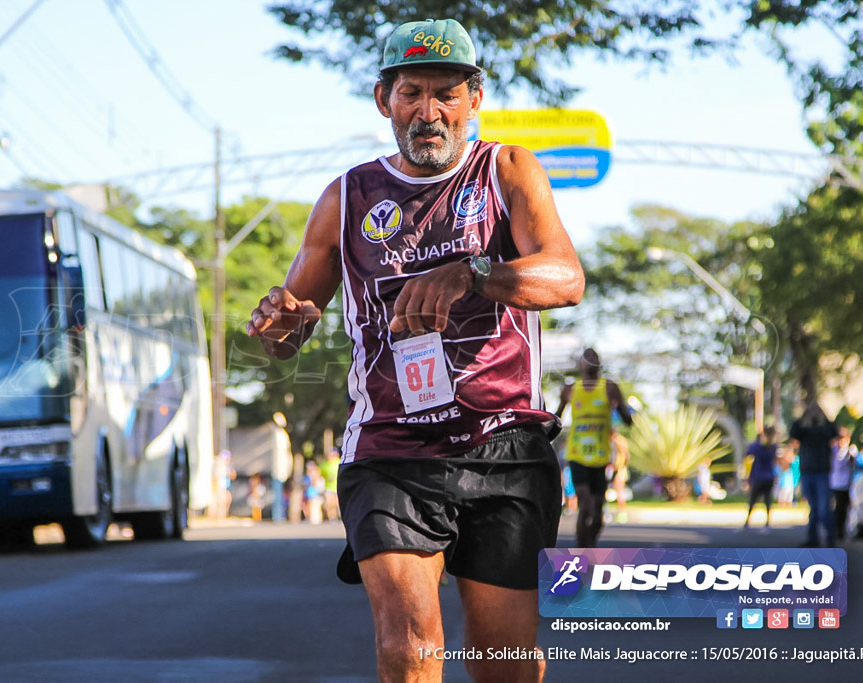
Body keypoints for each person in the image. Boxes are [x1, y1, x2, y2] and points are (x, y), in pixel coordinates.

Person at [246, 17, 584, 682]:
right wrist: (278, 324)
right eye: (411, 94)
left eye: (445, 94)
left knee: (502, 663)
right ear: (384, 101)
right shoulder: (346, 198)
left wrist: (477, 273)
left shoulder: (506, 170)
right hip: (391, 448)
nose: (428, 113)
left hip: (503, 443)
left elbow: (566, 278)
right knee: (409, 646)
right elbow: (291, 327)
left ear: (475, 100)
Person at [554, 348, 632, 547]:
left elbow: (627, 419)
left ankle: (590, 544)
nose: (590, 361)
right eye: (586, 357)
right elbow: (556, 417)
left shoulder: (609, 387)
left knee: (597, 511)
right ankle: (583, 552)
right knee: (585, 504)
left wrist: (621, 408)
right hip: (577, 454)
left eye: (594, 357)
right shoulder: (570, 389)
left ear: (599, 363)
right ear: (579, 364)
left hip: (600, 455)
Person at [789, 401, 839, 547]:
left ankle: (830, 537)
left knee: (824, 508)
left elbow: (833, 431)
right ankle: (813, 538)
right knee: (814, 507)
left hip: (821, 472)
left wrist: (822, 414)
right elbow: (793, 432)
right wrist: (804, 415)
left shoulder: (824, 431)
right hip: (807, 472)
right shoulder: (804, 431)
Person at [743, 426, 779, 531]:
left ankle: (747, 523)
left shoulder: (758, 447)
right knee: (767, 500)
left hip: (759, 477)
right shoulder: (773, 447)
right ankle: (767, 523)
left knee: (753, 500)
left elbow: (748, 452)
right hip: (769, 477)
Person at [829, 426, 857, 540]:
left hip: (845, 484)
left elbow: (853, 466)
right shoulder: (833, 451)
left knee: (843, 507)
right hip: (834, 483)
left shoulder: (851, 451)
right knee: (836, 507)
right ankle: (835, 528)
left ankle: (841, 528)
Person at [270, 412, 293, 522]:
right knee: (278, 494)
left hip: (281, 468)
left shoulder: (280, 434)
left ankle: (279, 515)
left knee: (280, 494)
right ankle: (278, 516)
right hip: (278, 469)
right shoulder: (278, 434)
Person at [609, 428, 630, 522]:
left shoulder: (619, 440)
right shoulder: (612, 441)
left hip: (619, 469)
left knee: (619, 491)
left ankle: (622, 513)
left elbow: (626, 454)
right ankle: (619, 512)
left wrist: (622, 466)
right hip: (614, 468)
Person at [320, 448, 342, 521]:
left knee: (337, 503)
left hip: (338, 487)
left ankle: (339, 515)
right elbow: (320, 474)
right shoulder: (324, 465)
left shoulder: (340, 462)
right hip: (328, 488)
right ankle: (332, 517)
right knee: (329, 504)